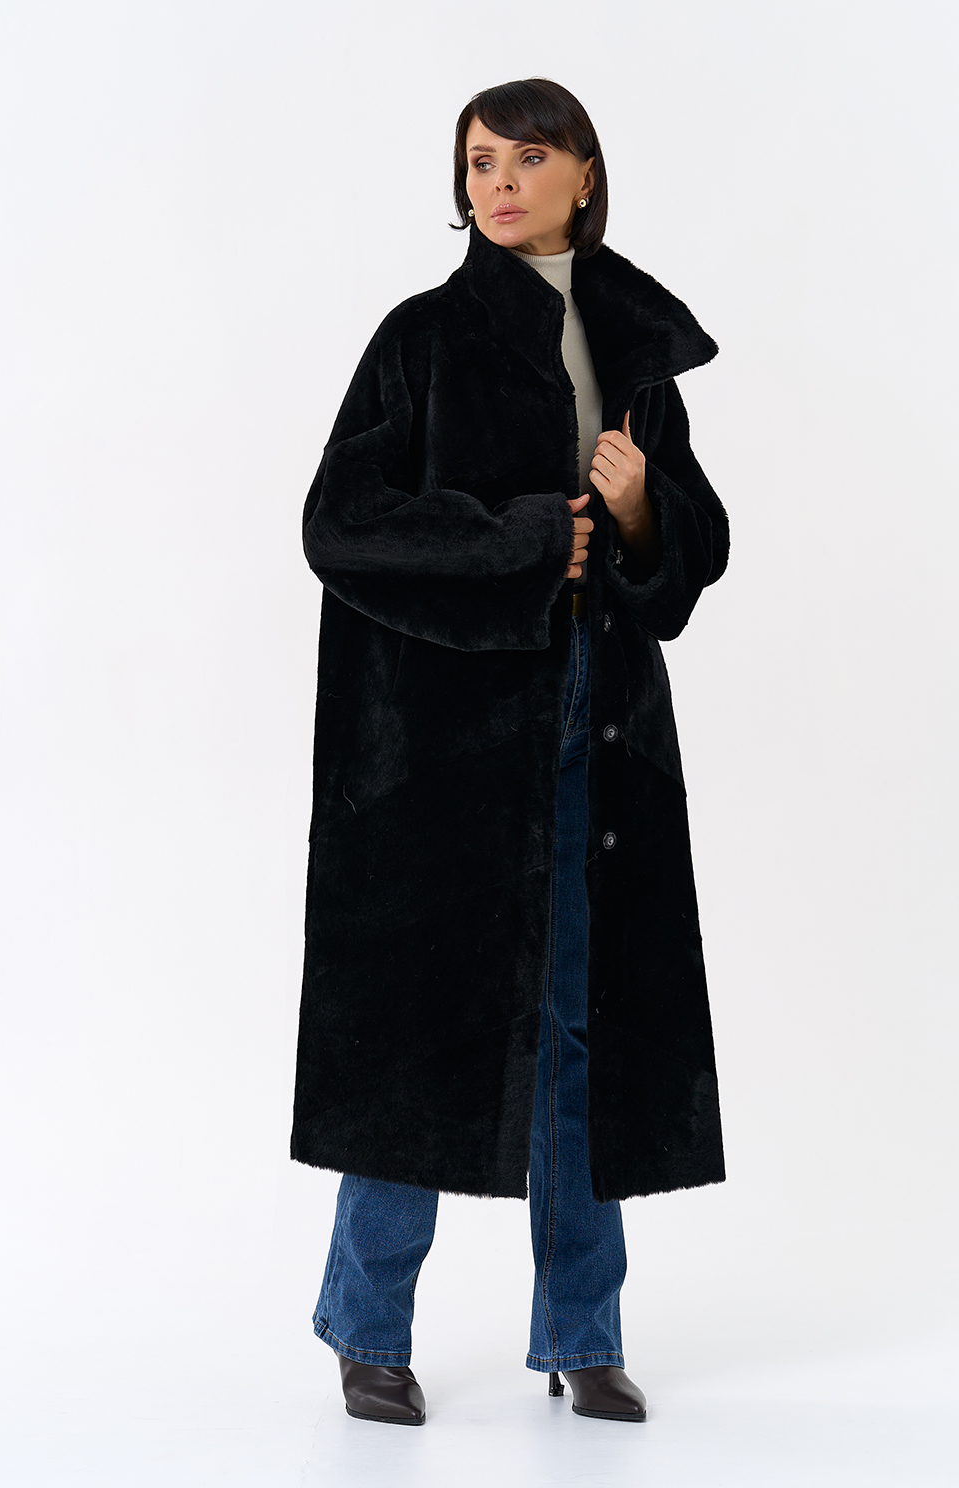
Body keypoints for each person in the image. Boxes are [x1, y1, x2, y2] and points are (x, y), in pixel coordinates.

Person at [289, 76, 729, 1427]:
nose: (499, 183)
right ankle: (368, 1330)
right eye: (480, 161)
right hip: (436, 747)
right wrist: (531, 537)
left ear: (584, 175)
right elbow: (338, 522)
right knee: (415, 1032)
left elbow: (694, 549)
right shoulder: (420, 339)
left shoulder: (635, 353)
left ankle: (582, 1336)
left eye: (528, 158)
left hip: (599, 719)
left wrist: (642, 513)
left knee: (582, 1028)